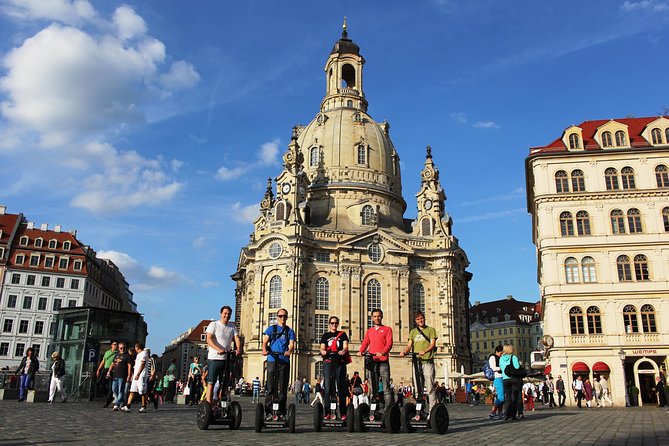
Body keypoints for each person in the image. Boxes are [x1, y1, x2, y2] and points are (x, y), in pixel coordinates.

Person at [400, 311, 438, 413]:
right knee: (418, 389)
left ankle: (432, 411)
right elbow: (409, 345)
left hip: (427, 361)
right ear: (415, 321)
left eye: (421, 318)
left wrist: (425, 351)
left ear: (424, 318)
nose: (420, 321)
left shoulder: (431, 330)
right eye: (418, 319)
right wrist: (405, 351)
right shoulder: (413, 332)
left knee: (429, 387)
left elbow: (432, 344)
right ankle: (419, 410)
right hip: (416, 362)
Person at [262, 308, 295, 417]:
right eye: (280, 316)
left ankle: (281, 411)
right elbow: (265, 341)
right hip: (272, 360)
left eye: (285, 316)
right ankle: (268, 411)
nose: (282, 318)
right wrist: (264, 349)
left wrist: (289, 351)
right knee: (270, 386)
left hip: (284, 361)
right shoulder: (271, 329)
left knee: (283, 387)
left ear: (287, 317)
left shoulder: (289, 331)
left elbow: (291, 345)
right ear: (277, 317)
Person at [357, 308, 393, 408]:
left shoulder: (387, 329)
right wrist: (361, 351)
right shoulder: (370, 331)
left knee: (386, 388)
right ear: (372, 318)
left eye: (379, 316)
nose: (377, 318)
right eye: (375, 316)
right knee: (373, 388)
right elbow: (365, 343)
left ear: (382, 317)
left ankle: (388, 409)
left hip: (383, 362)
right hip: (372, 362)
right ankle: (374, 409)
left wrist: (382, 353)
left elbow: (389, 343)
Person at [205, 305, 241, 404]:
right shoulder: (214, 325)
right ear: (221, 314)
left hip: (226, 359)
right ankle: (208, 404)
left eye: (229, 314)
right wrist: (219, 349)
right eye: (225, 313)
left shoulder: (232, 326)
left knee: (223, 383)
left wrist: (238, 349)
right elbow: (209, 339)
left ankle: (220, 402)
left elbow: (237, 338)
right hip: (214, 358)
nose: (227, 315)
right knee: (211, 382)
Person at [320, 315, 350, 420]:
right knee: (328, 388)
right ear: (329, 324)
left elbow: (345, 347)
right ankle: (327, 412)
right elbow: (322, 348)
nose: (334, 325)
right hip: (328, 362)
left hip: (339, 363)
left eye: (336, 323)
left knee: (341, 388)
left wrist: (342, 351)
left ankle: (343, 413)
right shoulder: (325, 335)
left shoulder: (342, 335)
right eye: (332, 323)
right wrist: (324, 352)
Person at [499, 344, 523, 420]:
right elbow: (517, 367)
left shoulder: (501, 358)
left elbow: (501, 367)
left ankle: (506, 414)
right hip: (514, 379)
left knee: (507, 397)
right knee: (514, 397)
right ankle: (513, 415)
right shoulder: (514, 357)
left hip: (505, 379)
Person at [123, 342, 149, 412]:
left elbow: (143, 364)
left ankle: (143, 407)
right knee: (132, 390)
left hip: (141, 375)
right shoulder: (138, 355)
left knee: (142, 391)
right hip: (136, 375)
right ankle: (128, 406)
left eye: (135, 347)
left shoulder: (144, 353)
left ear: (137, 347)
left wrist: (138, 374)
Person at [107, 342, 131, 410]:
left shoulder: (127, 356)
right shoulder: (116, 355)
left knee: (121, 390)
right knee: (114, 389)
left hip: (122, 375)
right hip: (115, 375)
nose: (122, 349)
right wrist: (109, 371)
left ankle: (117, 404)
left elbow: (129, 366)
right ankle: (120, 401)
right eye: (121, 348)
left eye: (124, 348)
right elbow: (112, 363)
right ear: (118, 348)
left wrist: (129, 375)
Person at [96, 341, 118, 407]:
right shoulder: (107, 352)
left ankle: (107, 401)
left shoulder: (117, 353)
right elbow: (103, 361)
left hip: (113, 371)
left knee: (110, 387)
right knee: (100, 385)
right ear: (112, 345)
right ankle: (108, 397)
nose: (116, 345)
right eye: (114, 344)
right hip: (105, 369)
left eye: (117, 344)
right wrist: (98, 369)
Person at [486, 345, 504, 419]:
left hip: (502, 377)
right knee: (501, 397)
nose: (501, 355)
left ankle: (500, 413)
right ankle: (492, 412)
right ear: (497, 351)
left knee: (502, 396)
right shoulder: (493, 357)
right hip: (497, 377)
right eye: (500, 353)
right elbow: (493, 368)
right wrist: (501, 368)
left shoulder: (501, 358)